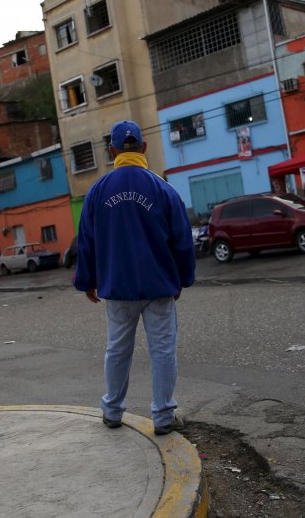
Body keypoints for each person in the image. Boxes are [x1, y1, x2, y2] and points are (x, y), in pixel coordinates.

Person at [73, 120, 196, 436]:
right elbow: (182, 239)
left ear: (112, 151)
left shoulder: (98, 192)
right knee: (163, 350)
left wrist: (88, 280)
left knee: (117, 349)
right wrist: (182, 278)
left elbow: (86, 241)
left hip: (117, 287)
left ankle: (113, 411)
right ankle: (164, 416)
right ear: (142, 148)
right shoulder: (162, 188)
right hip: (158, 286)